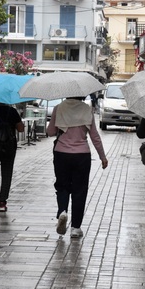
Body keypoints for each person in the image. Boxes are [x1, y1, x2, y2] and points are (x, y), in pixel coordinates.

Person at [46, 97, 108, 238]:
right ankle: (75, 228)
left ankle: (62, 211)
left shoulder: (59, 108)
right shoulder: (87, 110)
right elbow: (94, 136)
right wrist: (102, 157)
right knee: (80, 190)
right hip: (82, 155)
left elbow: (50, 132)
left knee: (62, 186)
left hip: (61, 154)